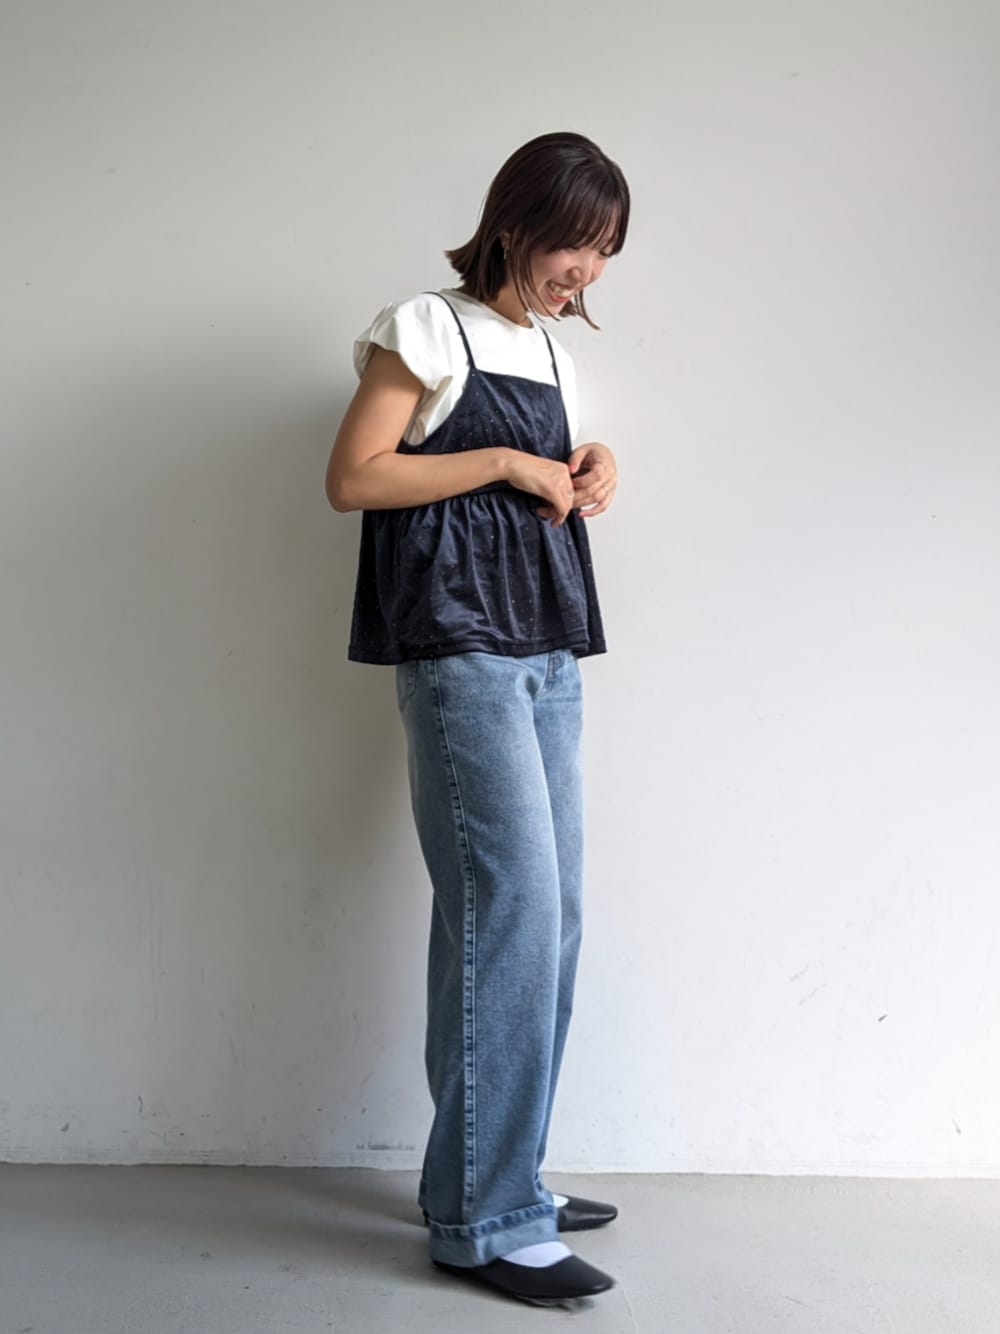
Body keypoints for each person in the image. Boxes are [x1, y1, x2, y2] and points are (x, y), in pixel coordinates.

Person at [326, 132, 629, 1306]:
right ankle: (486, 1215)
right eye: (575, 245)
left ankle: (498, 1173)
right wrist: (503, 455)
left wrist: (589, 462)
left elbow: (547, 478)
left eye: (603, 254)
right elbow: (356, 475)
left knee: (548, 918)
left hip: (545, 643)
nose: (585, 273)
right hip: (460, 650)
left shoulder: (548, 349)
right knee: (511, 913)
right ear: (517, 223)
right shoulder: (423, 326)